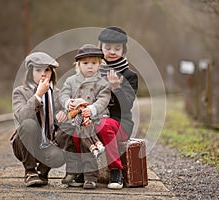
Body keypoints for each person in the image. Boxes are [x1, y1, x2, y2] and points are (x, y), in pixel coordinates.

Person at [72, 27, 139, 189]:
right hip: (93, 118)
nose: (112, 52)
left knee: (104, 125)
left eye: (117, 48)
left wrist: (116, 88)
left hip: (119, 123)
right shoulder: (92, 71)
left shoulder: (129, 75)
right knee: (75, 131)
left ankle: (116, 170)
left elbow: (127, 105)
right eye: (107, 48)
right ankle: (84, 171)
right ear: (100, 48)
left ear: (124, 50)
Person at [10, 52, 67, 187]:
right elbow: (22, 117)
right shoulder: (20, 92)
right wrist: (38, 95)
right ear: (30, 72)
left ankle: (42, 172)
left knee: (62, 149)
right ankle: (30, 172)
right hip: (24, 145)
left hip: (47, 143)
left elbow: (64, 119)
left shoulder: (58, 94)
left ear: (52, 72)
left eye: (47, 70)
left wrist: (65, 114)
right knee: (29, 124)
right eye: (38, 70)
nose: (43, 74)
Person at [59, 44, 111, 189]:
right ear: (78, 65)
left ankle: (90, 176)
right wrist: (68, 102)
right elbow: (63, 94)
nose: (90, 66)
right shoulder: (71, 81)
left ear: (100, 65)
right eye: (85, 63)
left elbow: (103, 100)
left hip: (94, 117)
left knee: (85, 139)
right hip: (75, 117)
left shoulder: (102, 83)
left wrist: (92, 108)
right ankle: (72, 171)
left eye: (94, 63)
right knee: (64, 135)